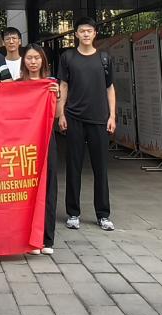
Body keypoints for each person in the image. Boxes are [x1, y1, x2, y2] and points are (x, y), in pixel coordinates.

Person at [57, 17, 116, 232]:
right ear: (76, 34)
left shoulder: (104, 58)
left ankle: (103, 214)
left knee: (101, 169)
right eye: (82, 31)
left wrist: (112, 116)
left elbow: (110, 88)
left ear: (94, 33)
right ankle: (73, 213)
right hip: (74, 118)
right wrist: (61, 114)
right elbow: (63, 85)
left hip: (99, 119)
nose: (85, 34)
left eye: (89, 31)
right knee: (73, 167)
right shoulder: (68, 57)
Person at [20, 44, 59, 254]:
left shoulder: (51, 84)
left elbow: (58, 115)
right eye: (29, 58)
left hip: (46, 140)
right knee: (25, 188)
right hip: (23, 144)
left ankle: (46, 239)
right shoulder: (17, 85)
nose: (33, 62)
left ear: (43, 60)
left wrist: (57, 96)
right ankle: (28, 239)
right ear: (24, 61)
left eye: (37, 58)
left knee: (48, 186)